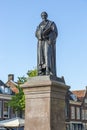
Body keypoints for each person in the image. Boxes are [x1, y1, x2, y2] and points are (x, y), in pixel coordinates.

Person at [35, 12, 58, 76]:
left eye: (44, 15)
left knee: (47, 54)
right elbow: (36, 33)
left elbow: (55, 33)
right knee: (41, 57)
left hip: (47, 41)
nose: (43, 16)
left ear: (47, 16)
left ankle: (48, 69)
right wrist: (40, 34)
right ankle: (41, 70)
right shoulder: (39, 25)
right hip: (41, 41)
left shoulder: (51, 23)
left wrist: (48, 36)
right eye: (42, 15)